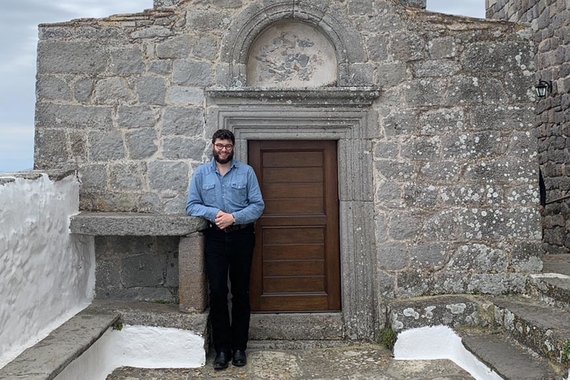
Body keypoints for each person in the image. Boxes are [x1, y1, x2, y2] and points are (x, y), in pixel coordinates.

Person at [186, 129, 265, 370]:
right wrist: (214, 214)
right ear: (213, 146)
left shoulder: (246, 172)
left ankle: (240, 347)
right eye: (220, 145)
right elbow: (191, 205)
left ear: (233, 147)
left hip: (242, 236)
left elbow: (258, 206)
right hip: (215, 239)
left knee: (240, 293)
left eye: (228, 146)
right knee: (218, 292)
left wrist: (234, 217)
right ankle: (222, 348)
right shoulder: (201, 174)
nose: (223, 150)